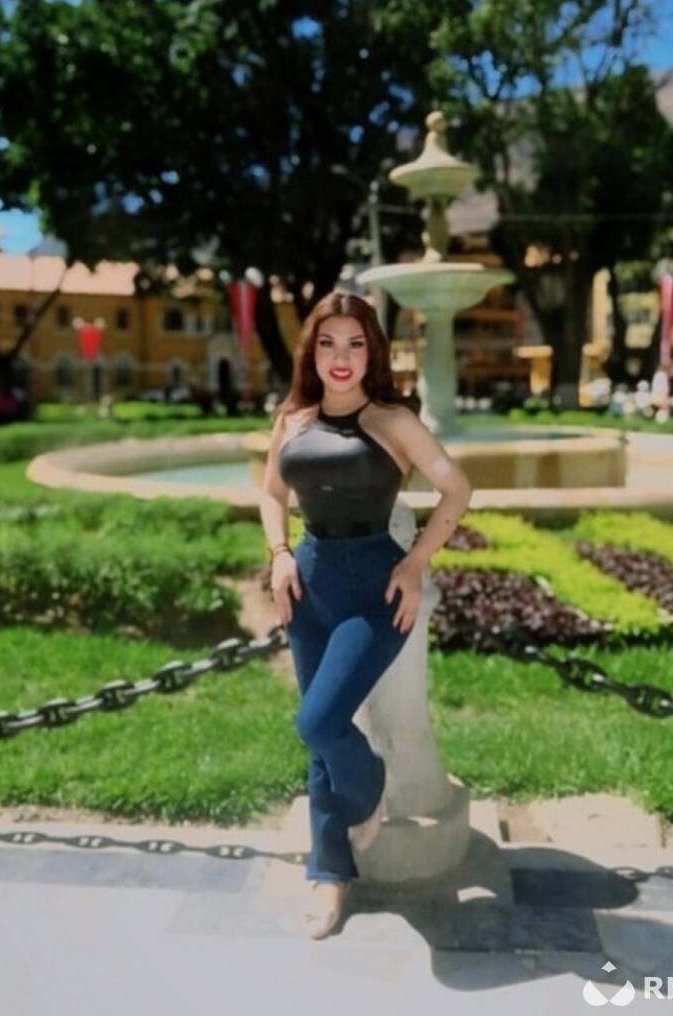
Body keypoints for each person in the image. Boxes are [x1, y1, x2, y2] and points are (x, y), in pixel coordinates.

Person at [258, 290, 473, 939]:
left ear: (372, 352)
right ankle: (329, 871)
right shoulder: (292, 419)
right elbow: (271, 493)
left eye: (355, 343)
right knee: (323, 737)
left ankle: (369, 786)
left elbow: (457, 488)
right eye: (328, 342)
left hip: (376, 586)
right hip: (309, 585)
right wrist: (280, 554)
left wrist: (415, 563)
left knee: (319, 722)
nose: (341, 356)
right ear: (311, 352)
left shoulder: (393, 420)